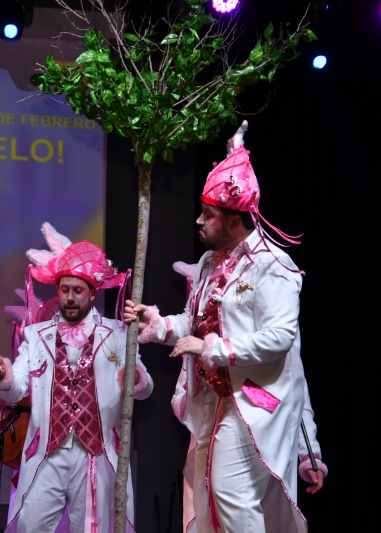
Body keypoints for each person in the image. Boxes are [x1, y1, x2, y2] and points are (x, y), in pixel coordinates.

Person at [125, 121, 308, 533]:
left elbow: (280, 337)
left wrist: (214, 348)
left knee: (230, 494)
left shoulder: (272, 265)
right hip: (214, 399)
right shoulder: (210, 262)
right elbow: (196, 321)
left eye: (208, 214)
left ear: (233, 220)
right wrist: (161, 325)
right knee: (206, 498)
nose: (198, 220)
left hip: (252, 401)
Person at [0, 222, 153, 533]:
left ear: (92, 293)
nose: (70, 298)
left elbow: (144, 389)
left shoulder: (118, 333)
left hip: (95, 452)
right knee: (31, 525)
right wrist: (5, 376)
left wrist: (137, 379)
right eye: (65, 290)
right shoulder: (36, 335)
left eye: (78, 291)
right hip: (47, 451)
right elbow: (17, 387)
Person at [168, 262, 328, 533]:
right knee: (205, 513)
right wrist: (198, 399)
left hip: (262, 431)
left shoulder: (267, 336)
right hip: (207, 433)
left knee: (252, 512)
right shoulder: (200, 340)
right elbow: (182, 393)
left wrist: (308, 453)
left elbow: (295, 394)